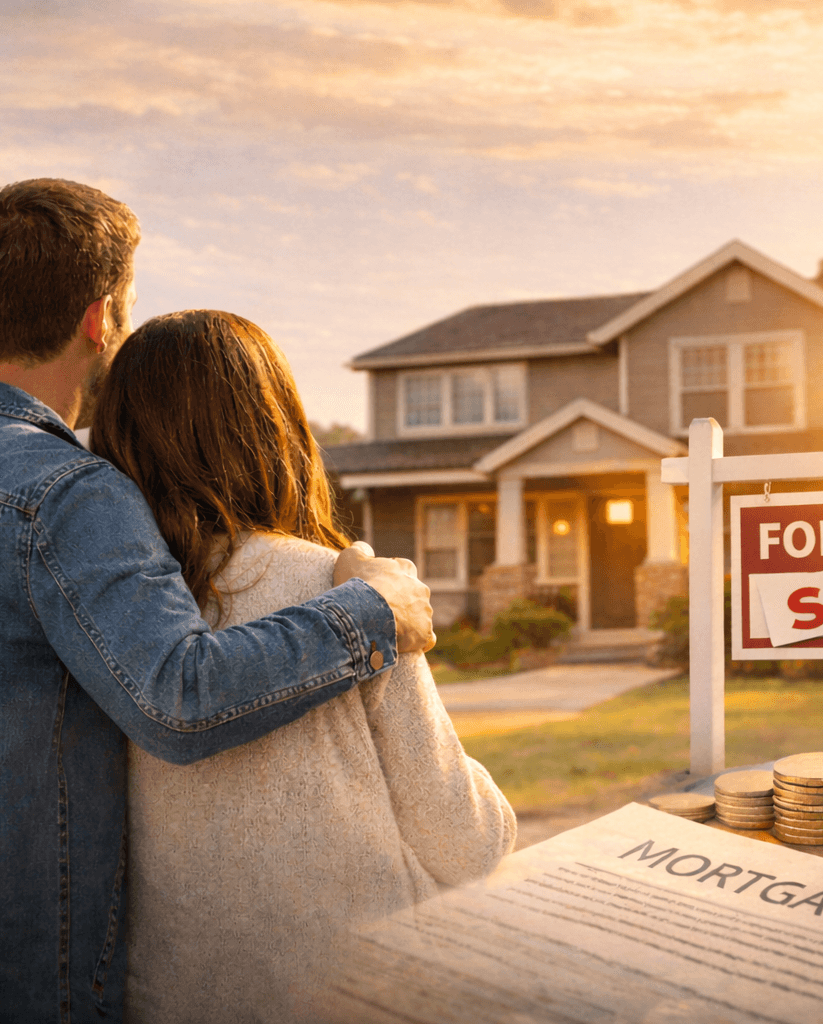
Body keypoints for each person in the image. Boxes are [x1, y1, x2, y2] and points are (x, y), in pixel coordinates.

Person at [0, 179, 433, 1023]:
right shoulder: (68, 494)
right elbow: (177, 696)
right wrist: (372, 613)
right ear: (102, 319)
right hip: (9, 994)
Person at [89, 309, 516, 1023]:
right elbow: (467, 843)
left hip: (170, 997)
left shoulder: (106, 607)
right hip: (358, 992)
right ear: (274, 428)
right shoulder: (351, 589)